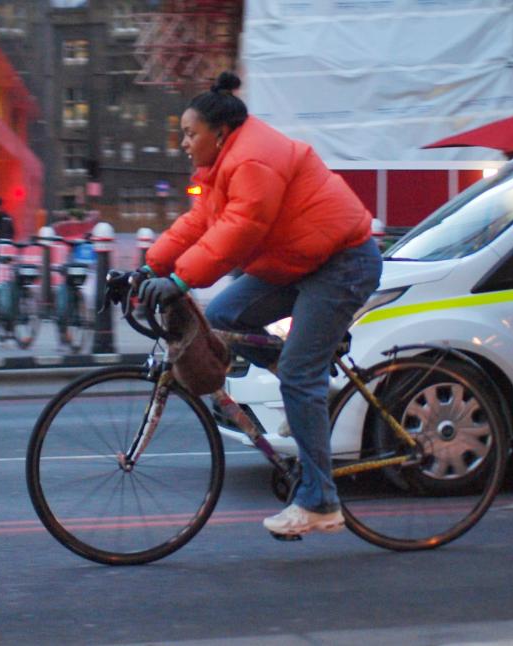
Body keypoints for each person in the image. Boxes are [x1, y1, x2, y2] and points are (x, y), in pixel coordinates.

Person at [136, 71, 382, 538]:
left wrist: (182, 278)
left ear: (220, 133)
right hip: (301, 260)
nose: (183, 143)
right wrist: (152, 268)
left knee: (297, 373)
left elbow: (242, 229)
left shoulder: (252, 158)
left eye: (190, 133)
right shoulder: (221, 166)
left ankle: (320, 501)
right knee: (225, 316)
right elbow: (200, 224)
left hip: (343, 262)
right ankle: (310, 388)